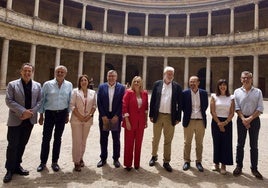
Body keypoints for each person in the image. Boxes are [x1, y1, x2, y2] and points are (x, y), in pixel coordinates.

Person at [3, 63, 42, 183]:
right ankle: (9, 169)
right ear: (21, 71)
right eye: (25, 70)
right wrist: (23, 111)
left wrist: (31, 112)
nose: (27, 73)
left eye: (29, 71)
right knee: (12, 145)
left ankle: (17, 166)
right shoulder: (12, 84)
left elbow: (40, 101)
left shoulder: (37, 85)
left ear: (32, 72)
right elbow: (9, 100)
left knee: (22, 144)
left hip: (29, 120)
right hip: (16, 119)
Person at [37, 65, 73, 172]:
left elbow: (69, 100)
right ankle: (43, 162)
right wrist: (41, 115)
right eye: (58, 71)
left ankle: (54, 162)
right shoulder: (47, 84)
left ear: (65, 74)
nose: (60, 73)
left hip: (62, 114)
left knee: (58, 138)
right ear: (55, 73)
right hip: (49, 113)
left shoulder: (69, 85)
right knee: (46, 138)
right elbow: (42, 100)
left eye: (62, 72)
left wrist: (67, 114)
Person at [149, 66, 182, 172]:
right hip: (158, 115)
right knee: (156, 138)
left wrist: (178, 117)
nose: (170, 75)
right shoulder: (157, 84)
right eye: (168, 73)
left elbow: (179, 103)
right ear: (164, 74)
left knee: (168, 140)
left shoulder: (177, 86)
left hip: (170, 116)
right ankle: (154, 156)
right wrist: (151, 114)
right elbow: (153, 100)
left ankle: (166, 161)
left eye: (171, 74)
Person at [233, 71, 264, 180]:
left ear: (251, 79)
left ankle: (254, 168)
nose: (246, 80)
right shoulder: (237, 91)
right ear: (241, 79)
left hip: (254, 120)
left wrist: (249, 119)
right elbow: (236, 107)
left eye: (248, 78)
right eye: (244, 78)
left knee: (254, 145)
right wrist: (243, 119)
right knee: (240, 144)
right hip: (241, 120)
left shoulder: (258, 92)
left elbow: (260, 108)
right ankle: (239, 166)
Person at [97, 70, 125, 168]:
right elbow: (99, 102)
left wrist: (117, 115)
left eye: (113, 76)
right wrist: (103, 116)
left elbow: (123, 103)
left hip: (115, 117)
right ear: (107, 77)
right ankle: (103, 158)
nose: (111, 77)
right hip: (104, 117)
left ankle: (116, 159)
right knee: (103, 138)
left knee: (116, 139)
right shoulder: (102, 87)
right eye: (109, 76)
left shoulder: (121, 88)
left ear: (116, 77)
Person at [70, 75, 97, 171]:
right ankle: (76, 161)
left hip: (87, 120)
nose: (84, 82)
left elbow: (94, 106)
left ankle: (81, 157)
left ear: (88, 82)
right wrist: (80, 116)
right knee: (77, 141)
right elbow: (72, 105)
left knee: (83, 141)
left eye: (85, 80)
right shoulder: (75, 91)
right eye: (82, 80)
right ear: (79, 82)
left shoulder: (93, 93)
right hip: (76, 119)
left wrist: (89, 115)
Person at [182, 76, 208, 172]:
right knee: (187, 142)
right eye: (190, 82)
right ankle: (186, 161)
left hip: (200, 120)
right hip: (189, 120)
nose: (192, 83)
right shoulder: (185, 93)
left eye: (194, 82)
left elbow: (205, 105)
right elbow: (182, 106)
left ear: (198, 82)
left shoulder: (204, 93)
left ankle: (198, 161)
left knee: (199, 143)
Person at [122, 76, 148, 171]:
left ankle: (137, 163)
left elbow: (146, 108)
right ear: (132, 82)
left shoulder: (144, 93)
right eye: (135, 81)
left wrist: (146, 121)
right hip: (130, 122)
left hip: (140, 122)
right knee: (129, 143)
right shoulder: (128, 92)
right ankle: (128, 164)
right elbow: (124, 107)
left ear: (141, 83)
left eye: (138, 81)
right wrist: (127, 121)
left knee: (138, 143)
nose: (136, 83)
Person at [210, 79, 234, 175]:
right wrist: (219, 123)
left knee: (226, 144)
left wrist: (225, 122)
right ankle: (216, 163)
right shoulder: (214, 96)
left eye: (224, 85)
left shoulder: (231, 97)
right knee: (216, 142)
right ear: (218, 86)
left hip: (227, 122)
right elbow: (212, 111)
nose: (222, 86)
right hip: (216, 121)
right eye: (220, 85)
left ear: (227, 86)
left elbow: (232, 112)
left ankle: (224, 164)